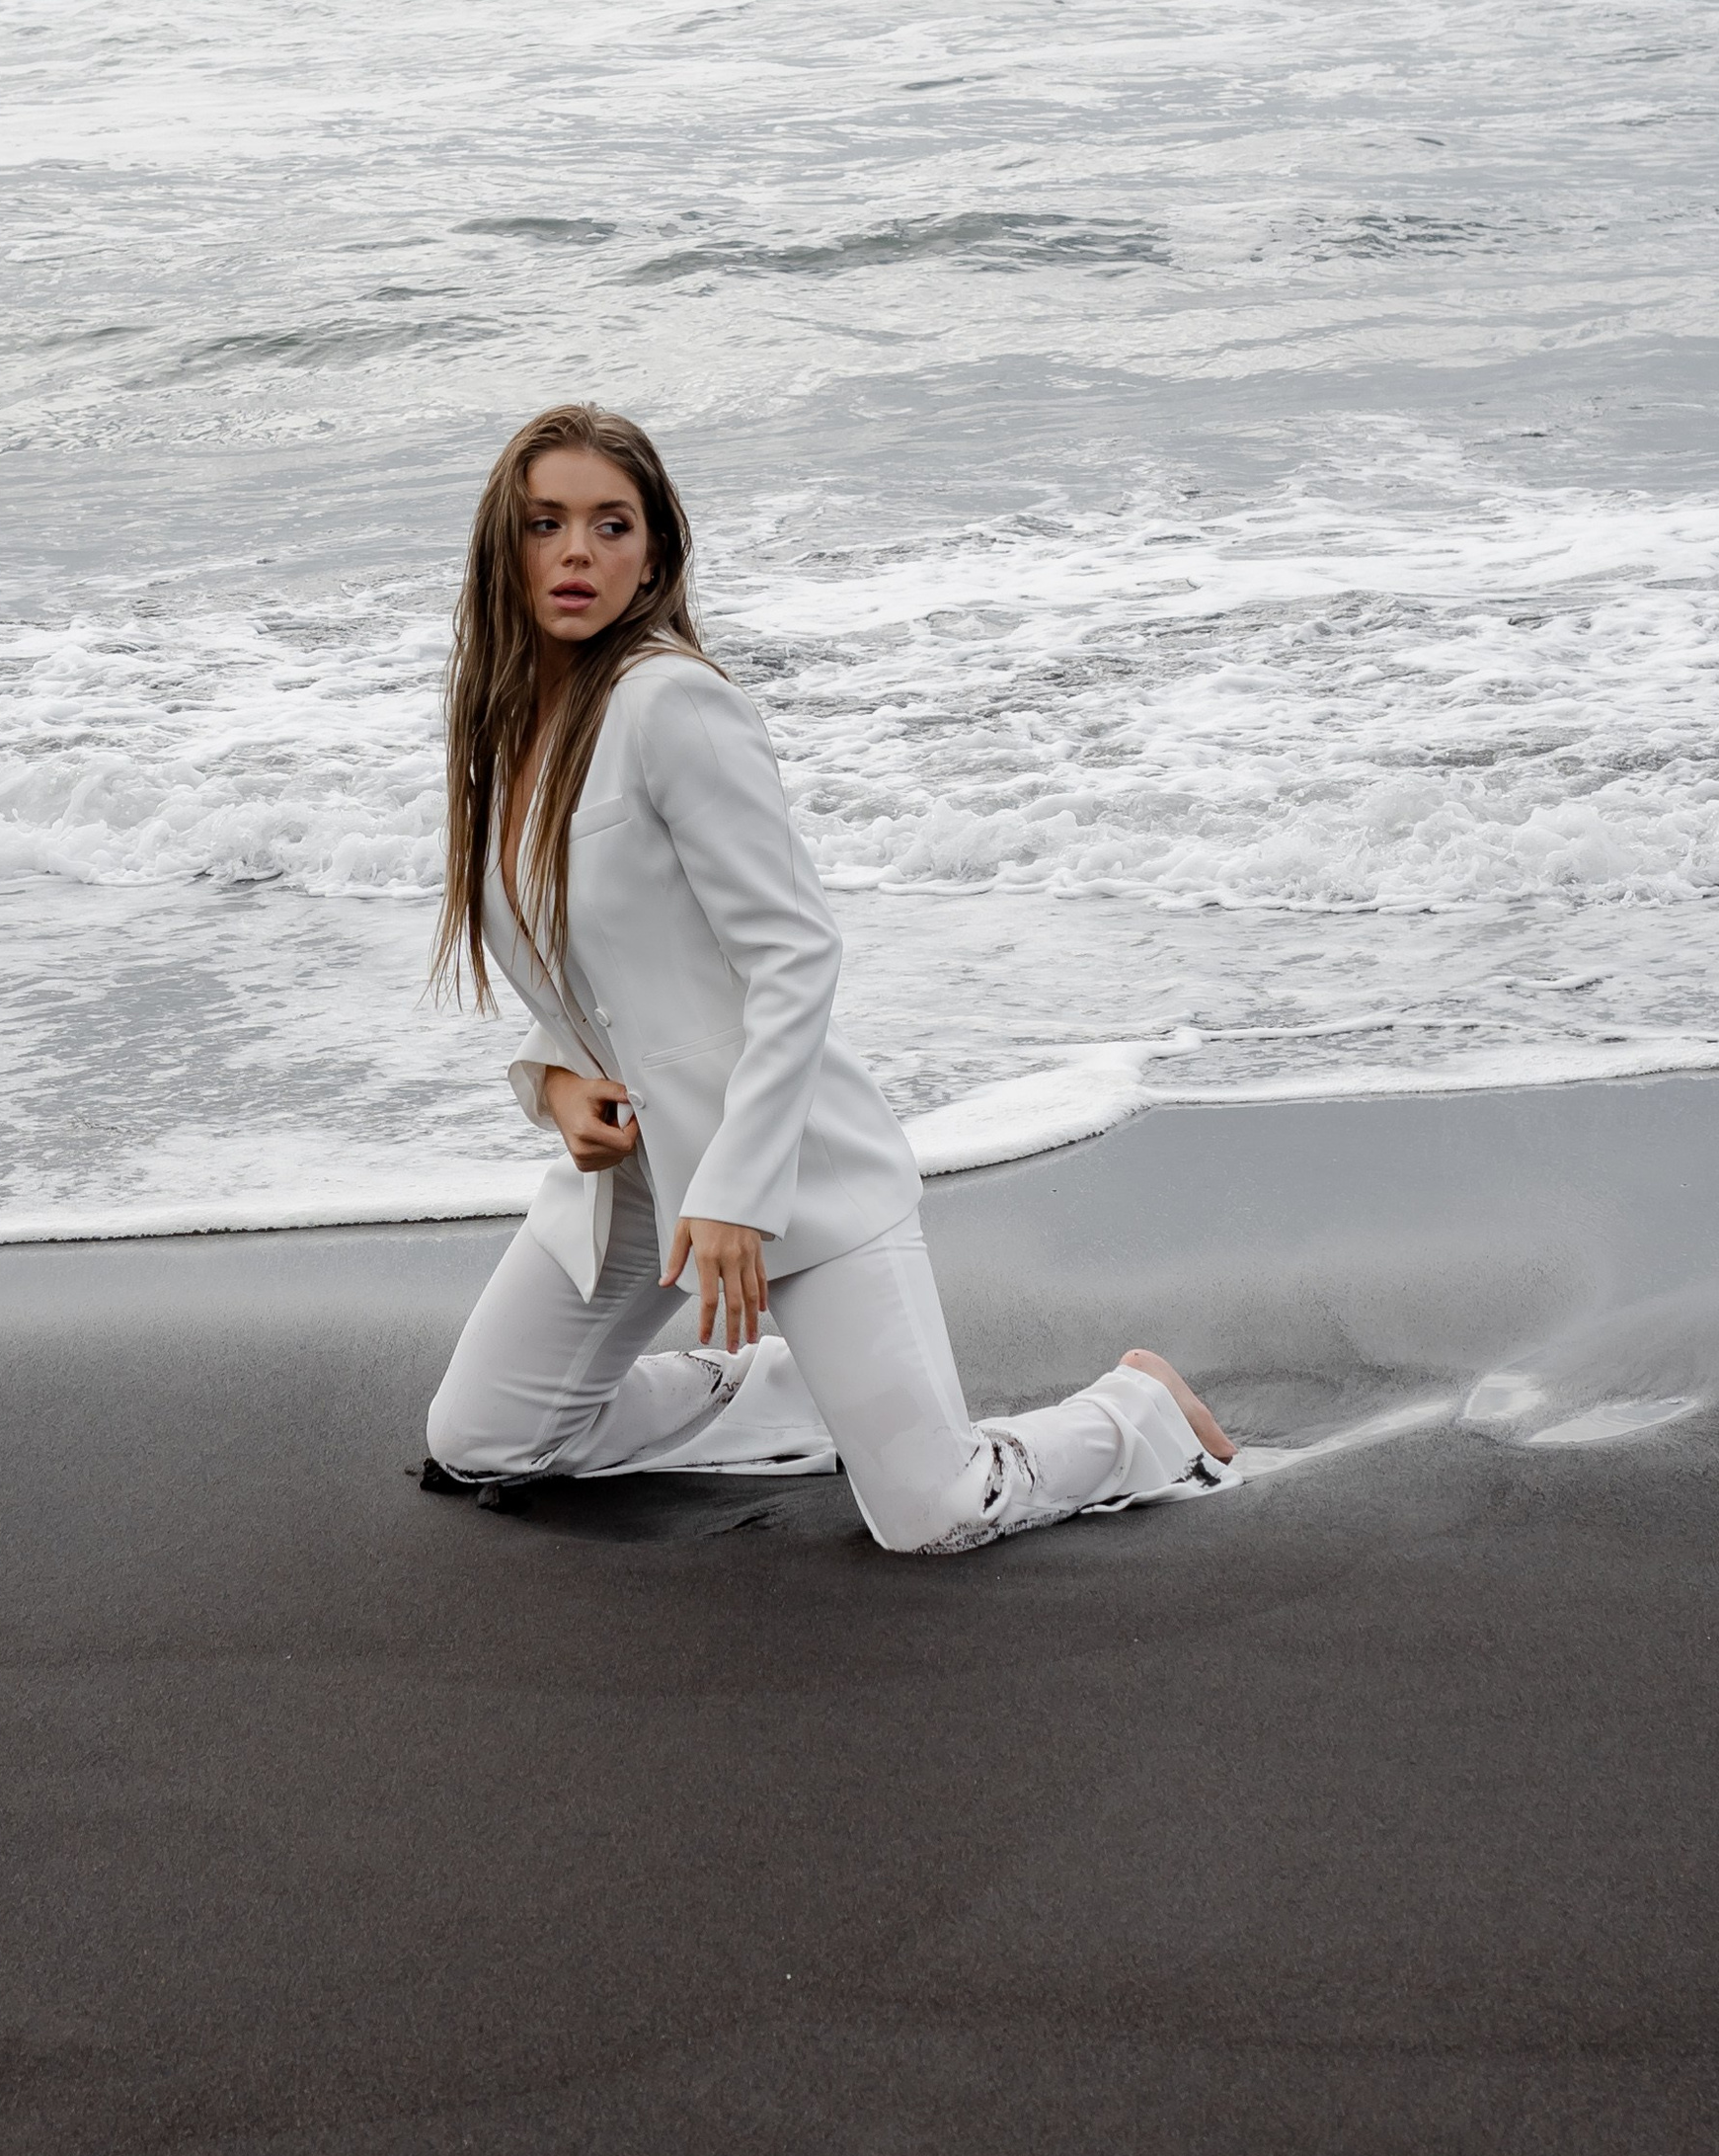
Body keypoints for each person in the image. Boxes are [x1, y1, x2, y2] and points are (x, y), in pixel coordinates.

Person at [422, 402, 1237, 1554]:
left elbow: (795, 954)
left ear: (654, 551)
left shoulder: (670, 703)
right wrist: (553, 1088)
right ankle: (788, 1394)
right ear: (503, 548)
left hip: (784, 1165)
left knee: (932, 1512)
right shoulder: (509, 742)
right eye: (545, 524)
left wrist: (735, 1194)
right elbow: (584, 986)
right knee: (483, 1441)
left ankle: (1140, 1413)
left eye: (611, 525)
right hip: (644, 1180)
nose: (575, 554)